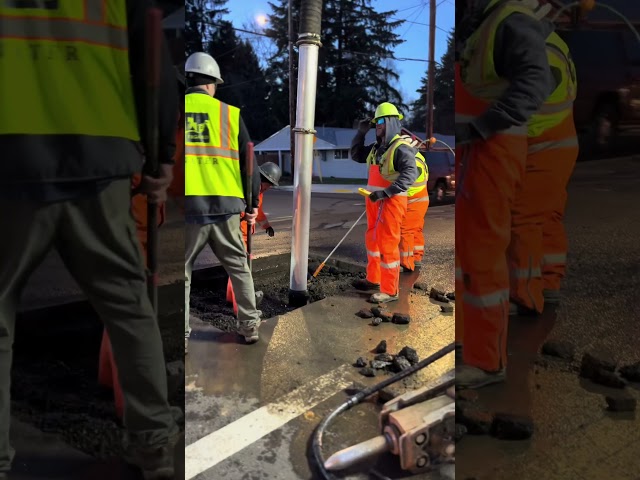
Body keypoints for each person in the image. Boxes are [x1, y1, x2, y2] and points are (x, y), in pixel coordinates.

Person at [0, 1, 180, 478]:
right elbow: (152, 62)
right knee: (128, 307)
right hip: (100, 156)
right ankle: (154, 447)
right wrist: (161, 157)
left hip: (10, 154)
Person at [455, 0, 555, 389]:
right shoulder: (488, 22)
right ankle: (472, 346)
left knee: (483, 252)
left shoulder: (509, 21)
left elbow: (535, 84)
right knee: (471, 252)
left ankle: (486, 360)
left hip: (493, 149)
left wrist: (482, 127)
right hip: (480, 150)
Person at [184, 52, 262, 349]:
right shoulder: (229, 114)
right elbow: (249, 162)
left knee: (183, 272)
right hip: (227, 206)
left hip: (188, 206)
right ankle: (249, 326)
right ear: (212, 84)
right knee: (238, 266)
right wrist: (252, 204)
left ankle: (182, 332)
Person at [508, 29, 578, 312]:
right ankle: (548, 285)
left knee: (522, 219)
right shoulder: (548, 38)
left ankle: (524, 295)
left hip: (541, 144)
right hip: (557, 141)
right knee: (547, 216)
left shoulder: (523, 38)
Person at [350, 102, 419, 303]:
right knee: (373, 240)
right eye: (375, 122)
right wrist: (360, 133)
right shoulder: (376, 148)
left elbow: (409, 175)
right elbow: (355, 155)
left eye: (380, 121)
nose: (377, 125)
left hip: (391, 202)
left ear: (390, 122)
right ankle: (374, 279)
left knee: (388, 243)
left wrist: (386, 193)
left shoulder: (400, 148)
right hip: (374, 202)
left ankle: (390, 290)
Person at [226, 162, 282, 314]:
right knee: (240, 269)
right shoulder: (242, 190)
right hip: (235, 234)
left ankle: (232, 297)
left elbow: (259, 213)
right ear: (259, 178)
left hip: (244, 236)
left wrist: (266, 226)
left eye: (270, 185)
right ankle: (241, 306)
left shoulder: (259, 194)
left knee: (238, 267)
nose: (267, 187)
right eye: (267, 184)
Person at [399, 151, 429, 272]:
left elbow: (406, 182)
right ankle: (416, 258)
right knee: (416, 229)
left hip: (414, 201)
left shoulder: (412, 161)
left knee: (405, 230)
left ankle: (406, 263)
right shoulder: (417, 157)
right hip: (419, 199)